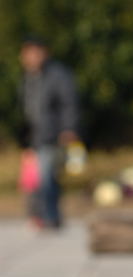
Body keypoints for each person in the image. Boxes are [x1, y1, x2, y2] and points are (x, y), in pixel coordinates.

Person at [17, 36, 80, 230]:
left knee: (46, 177)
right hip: (34, 138)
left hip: (52, 135)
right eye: (28, 53)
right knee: (35, 180)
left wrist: (69, 128)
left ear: (44, 53)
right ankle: (43, 216)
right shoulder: (28, 78)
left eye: (35, 52)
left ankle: (50, 216)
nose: (31, 57)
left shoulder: (57, 75)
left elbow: (69, 103)